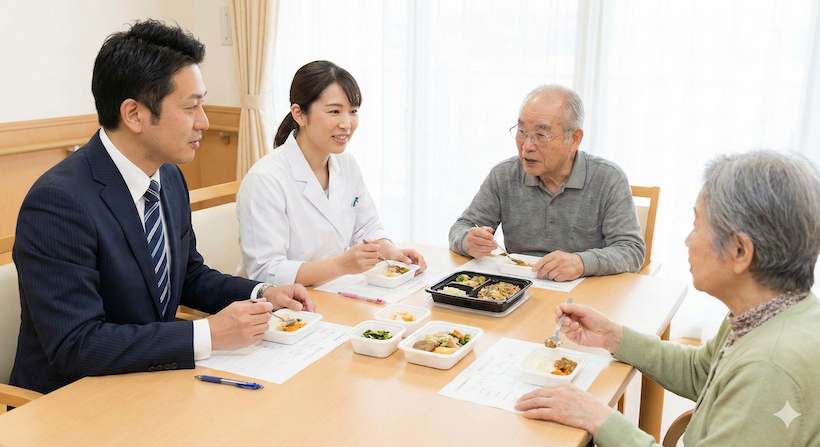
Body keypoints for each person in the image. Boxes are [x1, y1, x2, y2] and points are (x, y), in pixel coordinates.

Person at [10, 20, 315, 396]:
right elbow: (76, 345)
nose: (203, 121)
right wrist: (208, 334)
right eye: (191, 107)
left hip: (150, 382)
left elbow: (187, 276)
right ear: (134, 114)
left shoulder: (168, 177)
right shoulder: (58, 202)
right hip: (70, 400)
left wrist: (262, 294)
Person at [515, 151, 820, 445]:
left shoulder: (769, 367)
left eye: (697, 225)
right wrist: (612, 337)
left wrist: (598, 417)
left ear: (740, 251)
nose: (688, 240)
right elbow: (701, 373)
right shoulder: (765, 313)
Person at [236, 60, 426, 287]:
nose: (347, 124)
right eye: (334, 111)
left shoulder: (346, 165)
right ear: (299, 114)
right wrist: (341, 265)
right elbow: (266, 271)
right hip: (280, 308)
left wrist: (392, 253)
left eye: (353, 111)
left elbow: (366, 227)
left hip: (332, 291)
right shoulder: (266, 179)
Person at [448, 85, 645, 282]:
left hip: (582, 296)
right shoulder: (505, 174)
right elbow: (461, 228)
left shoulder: (608, 178)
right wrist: (469, 241)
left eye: (541, 136)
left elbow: (631, 250)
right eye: (522, 131)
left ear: (574, 139)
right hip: (516, 288)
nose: (526, 146)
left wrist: (581, 262)